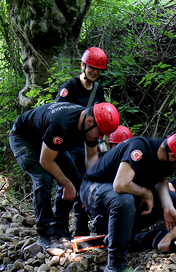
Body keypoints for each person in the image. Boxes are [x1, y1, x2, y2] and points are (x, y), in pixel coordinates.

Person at [79, 130, 176, 272]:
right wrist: (146, 193)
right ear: (172, 156)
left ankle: (121, 236)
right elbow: (120, 185)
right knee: (124, 201)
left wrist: (168, 207)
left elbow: (161, 180)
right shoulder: (139, 148)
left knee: (170, 197)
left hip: (115, 190)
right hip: (93, 187)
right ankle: (115, 266)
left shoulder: (165, 156)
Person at [9, 102, 120, 249]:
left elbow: (92, 158)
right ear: (89, 121)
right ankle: (45, 235)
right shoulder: (61, 124)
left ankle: (60, 229)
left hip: (48, 141)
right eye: (100, 133)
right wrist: (66, 184)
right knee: (43, 179)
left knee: (78, 181)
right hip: (25, 139)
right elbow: (45, 161)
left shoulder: (89, 124)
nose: (101, 138)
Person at [54, 47, 109, 237]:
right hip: (68, 143)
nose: (94, 71)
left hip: (88, 144)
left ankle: (81, 226)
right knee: (67, 182)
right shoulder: (69, 87)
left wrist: (102, 142)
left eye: (98, 69)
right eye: (92, 67)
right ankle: (59, 227)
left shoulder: (98, 89)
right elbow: (57, 115)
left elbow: (102, 116)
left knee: (86, 183)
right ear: (83, 65)